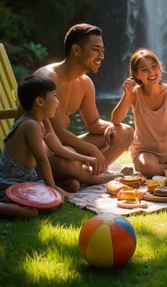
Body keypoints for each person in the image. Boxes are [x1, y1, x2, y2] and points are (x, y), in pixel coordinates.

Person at [33, 23, 134, 191]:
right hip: (42, 153)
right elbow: (56, 133)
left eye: (102, 50)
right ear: (76, 50)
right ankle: (91, 177)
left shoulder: (85, 83)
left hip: (62, 148)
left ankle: (81, 175)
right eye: (96, 49)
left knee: (124, 132)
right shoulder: (47, 79)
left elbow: (93, 123)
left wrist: (109, 127)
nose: (101, 56)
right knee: (66, 160)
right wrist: (91, 149)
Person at [0, 76, 69, 218]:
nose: (58, 102)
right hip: (8, 182)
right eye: (55, 96)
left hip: (28, 179)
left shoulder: (37, 122)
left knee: (72, 185)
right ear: (39, 101)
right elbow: (42, 159)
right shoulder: (30, 125)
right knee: (31, 212)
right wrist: (53, 189)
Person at [111, 48, 167, 178]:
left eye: (154, 66)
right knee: (147, 168)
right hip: (144, 152)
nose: (151, 72)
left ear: (160, 67)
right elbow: (116, 120)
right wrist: (126, 94)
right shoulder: (135, 93)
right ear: (136, 75)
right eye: (144, 69)